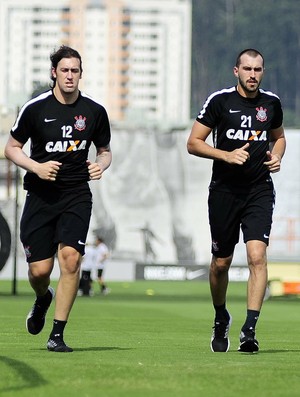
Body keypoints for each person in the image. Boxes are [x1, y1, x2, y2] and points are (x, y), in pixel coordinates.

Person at [5, 45, 112, 352]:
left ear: (81, 74)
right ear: (54, 73)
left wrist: (100, 165)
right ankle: (42, 297)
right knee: (39, 271)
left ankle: (57, 334)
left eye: (75, 71)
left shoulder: (94, 111)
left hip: (76, 194)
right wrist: (37, 167)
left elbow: (105, 151)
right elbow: (11, 148)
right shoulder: (35, 108)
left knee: (71, 260)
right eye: (64, 70)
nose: (69, 76)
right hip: (40, 196)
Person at [187, 49, 286, 353]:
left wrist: (277, 156)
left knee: (257, 256)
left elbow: (278, 137)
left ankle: (250, 330)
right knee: (221, 263)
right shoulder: (220, 102)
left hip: (259, 190)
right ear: (236, 71)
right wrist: (226, 155)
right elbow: (193, 143)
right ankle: (221, 317)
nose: (253, 75)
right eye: (247, 69)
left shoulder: (271, 104)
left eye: (258, 70)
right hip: (224, 191)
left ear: (262, 72)